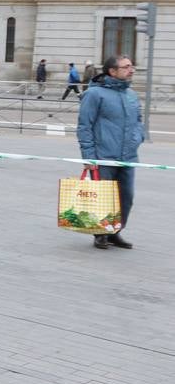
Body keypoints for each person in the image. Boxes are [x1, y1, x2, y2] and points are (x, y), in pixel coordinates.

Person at [77, 55, 144, 250]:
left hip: (128, 157)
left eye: (131, 66)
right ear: (112, 71)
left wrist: (137, 139)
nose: (131, 70)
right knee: (104, 197)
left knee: (126, 197)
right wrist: (89, 156)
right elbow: (84, 126)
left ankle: (115, 231)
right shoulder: (94, 94)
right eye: (126, 67)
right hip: (103, 157)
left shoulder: (131, 94)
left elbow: (139, 121)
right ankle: (100, 233)